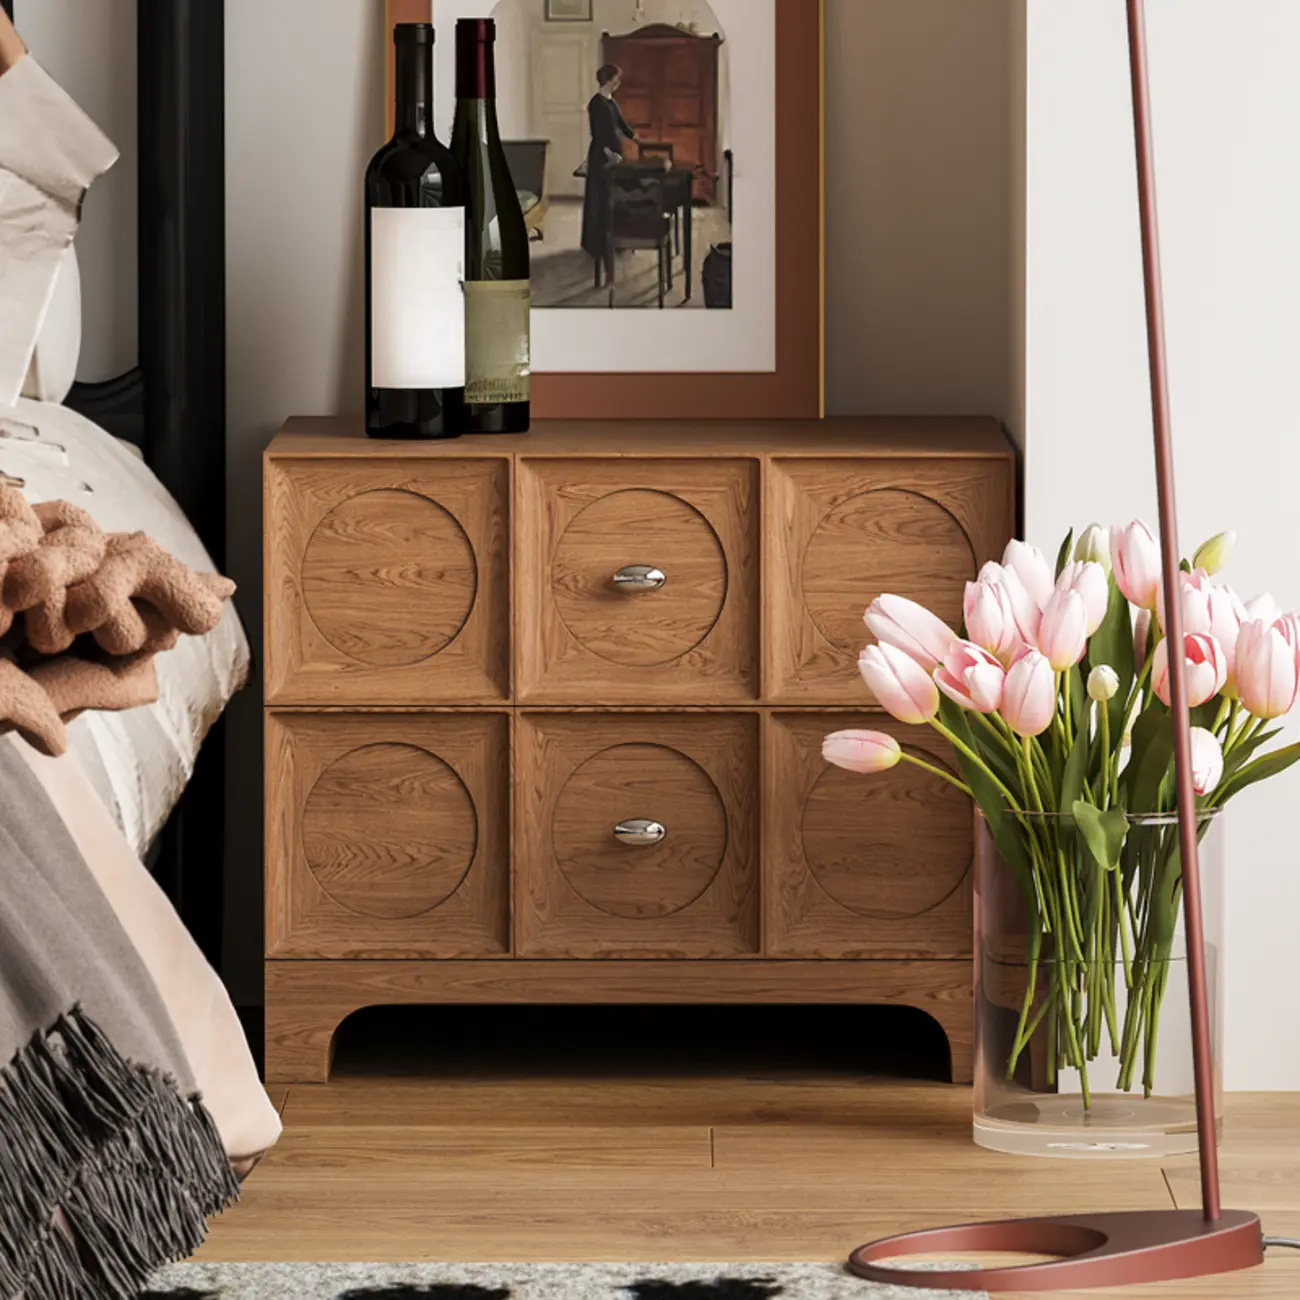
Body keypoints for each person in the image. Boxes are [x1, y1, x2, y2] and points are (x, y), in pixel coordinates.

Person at [580, 63, 637, 267]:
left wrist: (634, 136)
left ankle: (615, 238)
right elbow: (598, 133)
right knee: (600, 197)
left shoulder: (611, 101)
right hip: (602, 154)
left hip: (614, 152)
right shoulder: (597, 103)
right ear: (608, 80)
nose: (618, 82)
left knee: (614, 196)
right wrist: (611, 154)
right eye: (616, 79)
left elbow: (620, 124)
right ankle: (597, 244)